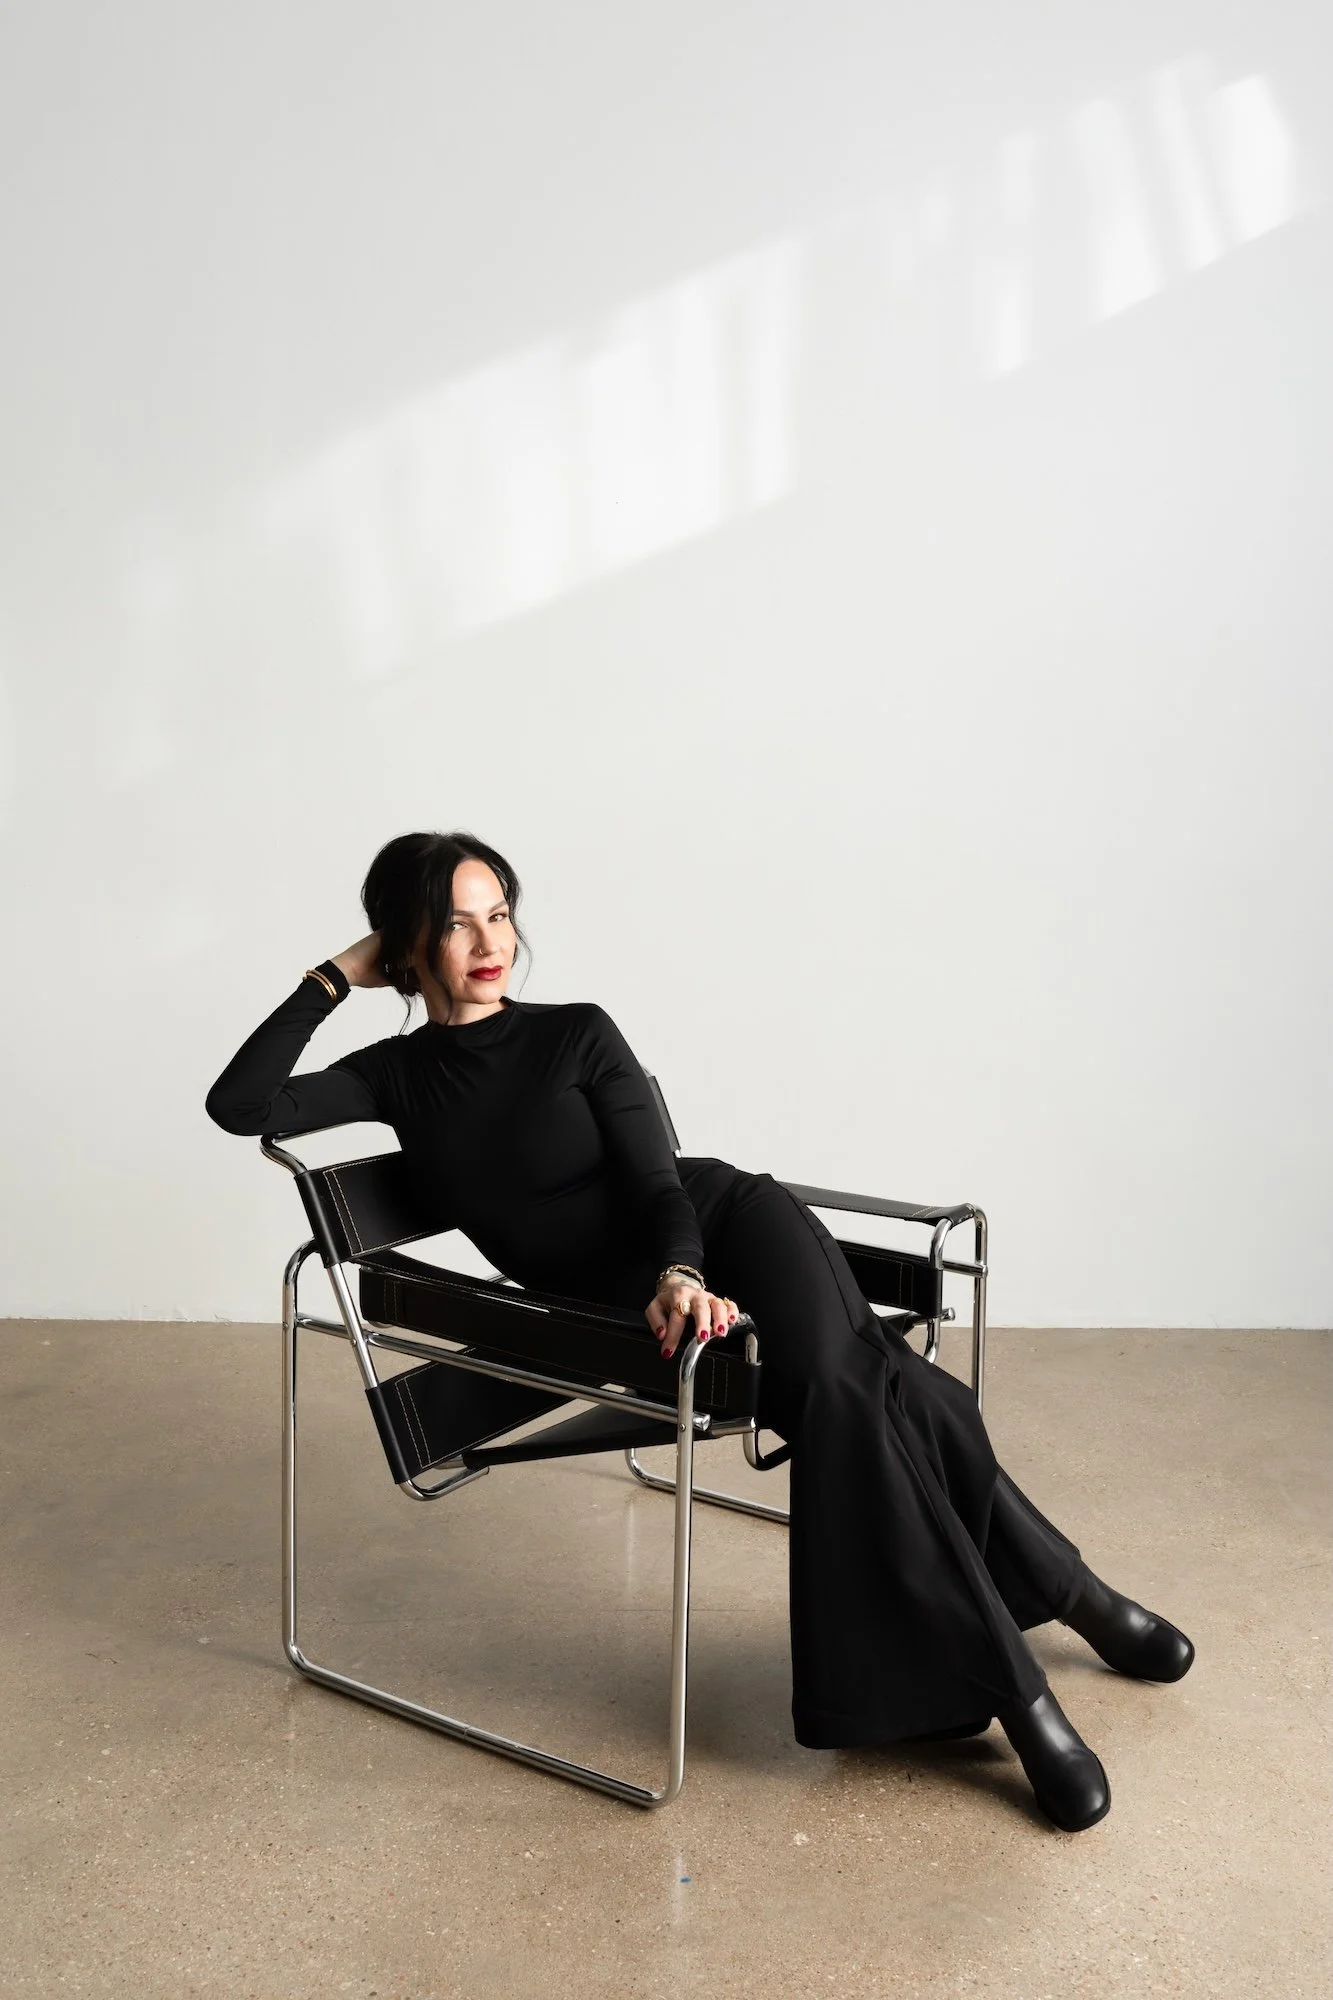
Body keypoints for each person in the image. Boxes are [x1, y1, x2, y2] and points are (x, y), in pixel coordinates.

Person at [205, 829, 1195, 1832]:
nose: (487, 939)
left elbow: (657, 1180)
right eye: (454, 921)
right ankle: (1071, 1598)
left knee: (843, 1388)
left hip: (728, 1227)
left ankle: (1017, 1694)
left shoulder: (576, 1031)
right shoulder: (396, 1078)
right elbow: (239, 1104)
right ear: (407, 944)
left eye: (498, 911)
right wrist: (337, 973)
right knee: (890, 1389)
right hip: (628, 1316)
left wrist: (681, 1272)